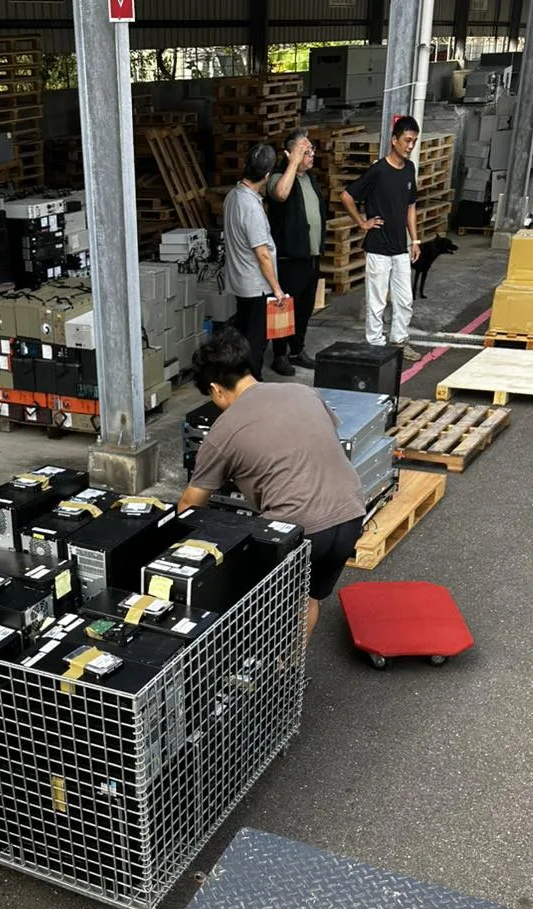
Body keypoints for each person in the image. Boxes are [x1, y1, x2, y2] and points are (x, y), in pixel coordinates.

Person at [178, 328, 364, 647]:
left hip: (296, 529)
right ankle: (289, 667)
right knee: (306, 598)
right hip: (350, 515)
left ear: (216, 389)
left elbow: (190, 506)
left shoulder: (223, 431)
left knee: (255, 608)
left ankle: (258, 672)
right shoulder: (303, 392)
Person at [340, 115, 422, 362]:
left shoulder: (409, 169)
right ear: (394, 140)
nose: (410, 146)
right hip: (377, 247)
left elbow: (411, 206)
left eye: (414, 141)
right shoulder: (378, 170)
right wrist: (362, 223)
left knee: (405, 300)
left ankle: (399, 340)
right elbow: (347, 196)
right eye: (407, 140)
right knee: (376, 301)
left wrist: (415, 240)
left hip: (400, 247)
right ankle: (375, 345)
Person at [223, 142, 289, 380]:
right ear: (267, 175)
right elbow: (261, 253)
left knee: (243, 335)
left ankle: (239, 379)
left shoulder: (232, 196)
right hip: (256, 286)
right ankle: (252, 381)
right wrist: (277, 288)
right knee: (256, 340)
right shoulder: (251, 207)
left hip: (240, 282)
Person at [265, 128, 325, 377]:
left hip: (311, 255)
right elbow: (280, 194)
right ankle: (280, 354)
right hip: (289, 257)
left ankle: (297, 349)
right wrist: (292, 163)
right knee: (284, 307)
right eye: (305, 151)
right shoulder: (278, 177)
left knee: (304, 307)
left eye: (311, 150)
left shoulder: (310, 178)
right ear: (291, 153)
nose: (311, 155)